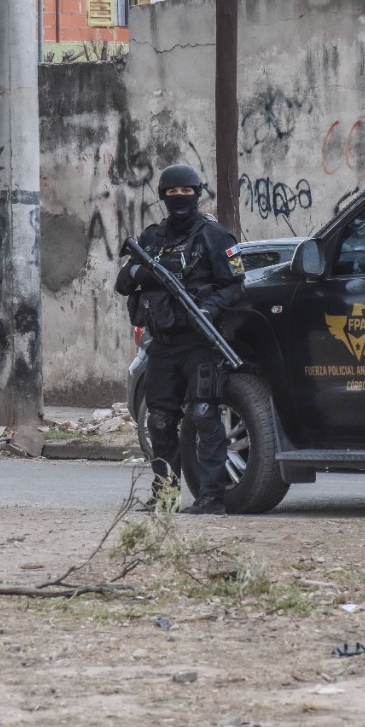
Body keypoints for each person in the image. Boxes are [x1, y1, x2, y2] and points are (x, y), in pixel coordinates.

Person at [115, 164, 246, 515]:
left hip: (200, 342)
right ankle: (166, 496)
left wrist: (208, 308)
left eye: (186, 191)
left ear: (197, 193)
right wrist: (148, 273)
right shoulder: (151, 239)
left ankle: (211, 497)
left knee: (204, 414)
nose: (180, 198)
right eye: (173, 193)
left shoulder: (215, 237)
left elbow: (236, 285)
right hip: (162, 344)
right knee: (158, 420)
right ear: (163, 196)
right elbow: (123, 282)